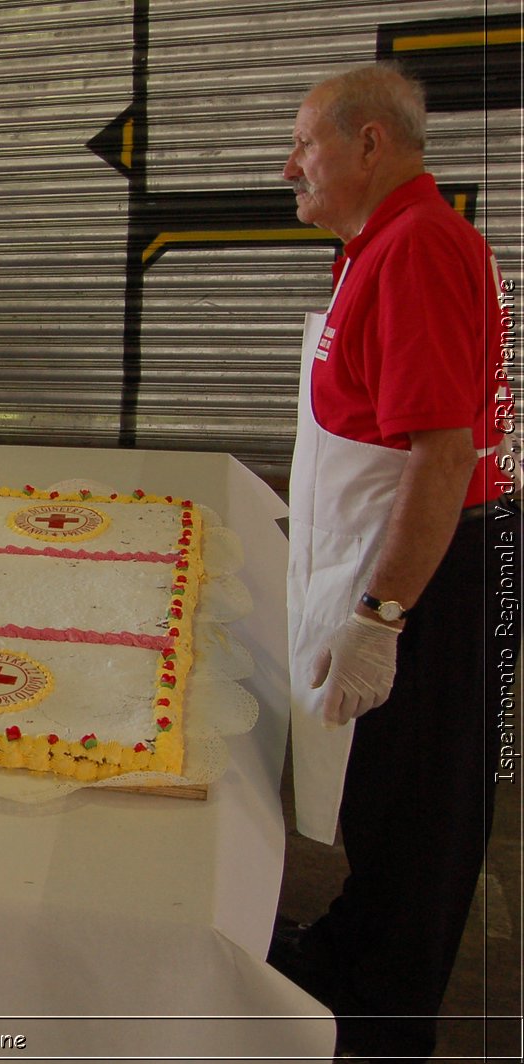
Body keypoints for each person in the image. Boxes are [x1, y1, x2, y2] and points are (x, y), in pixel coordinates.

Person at [271, 63, 508, 1061]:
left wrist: (381, 616)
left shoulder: (413, 246)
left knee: (424, 805)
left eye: (304, 144)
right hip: (407, 565)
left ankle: (384, 1015)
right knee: (386, 795)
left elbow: (442, 454)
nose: (289, 167)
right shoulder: (378, 243)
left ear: (369, 142)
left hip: (436, 578)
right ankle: (355, 952)